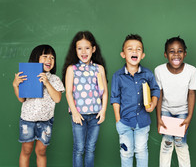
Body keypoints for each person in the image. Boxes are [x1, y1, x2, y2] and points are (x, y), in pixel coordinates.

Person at [110, 34, 160, 167]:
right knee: (126, 153)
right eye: (130, 49)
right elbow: (115, 98)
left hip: (143, 122)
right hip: (124, 122)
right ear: (123, 54)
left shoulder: (147, 74)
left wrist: (153, 104)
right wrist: (118, 120)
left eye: (138, 49)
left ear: (142, 55)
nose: (134, 51)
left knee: (142, 151)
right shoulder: (118, 76)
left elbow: (155, 90)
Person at [13, 45, 64, 167]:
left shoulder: (55, 79)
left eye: (52, 58)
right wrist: (16, 85)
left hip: (45, 121)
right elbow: (21, 99)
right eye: (45, 56)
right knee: (26, 150)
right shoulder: (27, 76)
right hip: (27, 120)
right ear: (36, 58)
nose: (49, 60)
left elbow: (57, 99)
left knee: (41, 151)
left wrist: (46, 82)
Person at [62, 31, 108, 167]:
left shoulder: (99, 69)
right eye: (79, 48)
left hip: (95, 115)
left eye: (87, 48)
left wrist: (103, 111)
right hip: (79, 116)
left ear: (93, 49)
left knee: (90, 149)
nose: (83, 52)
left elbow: (104, 92)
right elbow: (68, 93)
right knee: (79, 149)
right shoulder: (72, 69)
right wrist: (75, 113)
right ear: (75, 50)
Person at [155, 36, 196, 167]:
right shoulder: (159, 70)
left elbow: (192, 93)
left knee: (180, 142)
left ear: (185, 54)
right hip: (166, 110)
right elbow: (159, 94)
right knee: (167, 142)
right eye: (171, 51)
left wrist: (189, 117)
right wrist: (159, 118)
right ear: (165, 54)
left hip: (183, 111)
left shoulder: (192, 71)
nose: (176, 54)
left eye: (180, 51)